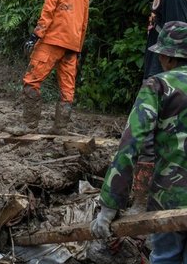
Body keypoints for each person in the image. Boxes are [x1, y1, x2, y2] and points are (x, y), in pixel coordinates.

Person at [90, 20, 187, 264]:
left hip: (170, 199)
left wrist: (110, 205)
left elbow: (130, 145)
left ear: (167, 56)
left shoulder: (159, 85)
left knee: (166, 257)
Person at [133, 0, 187, 211]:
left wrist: (165, 82)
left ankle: (145, 202)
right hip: (157, 77)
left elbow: (178, 45)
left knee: (150, 140)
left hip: (165, 83)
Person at [19, 0, 89, 135]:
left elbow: (48, 9)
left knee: (32, 80)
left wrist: (36, 35)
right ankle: (61, 127)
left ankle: (29, 125)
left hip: (53, 39)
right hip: (73, 44)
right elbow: (84, 21)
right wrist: (79, 47)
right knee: (67, 89)